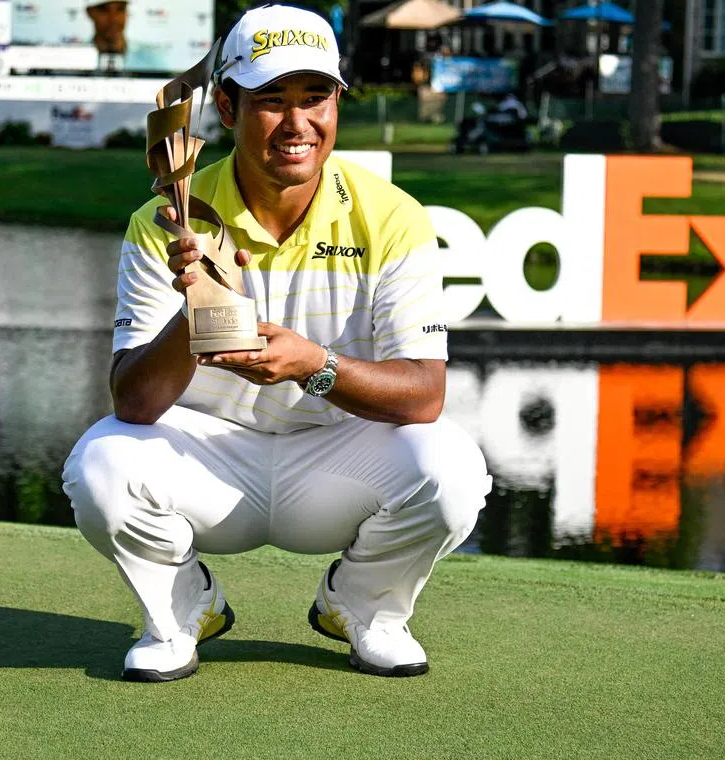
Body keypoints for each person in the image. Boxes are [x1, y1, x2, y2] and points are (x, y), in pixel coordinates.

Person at [62, 3, 491, 683]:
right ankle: (181, 613)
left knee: (453, 468)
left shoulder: (393, 217)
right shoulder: (167, 219)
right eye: (271, 101)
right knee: (99, 466)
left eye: (315, 97)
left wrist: (313, 365)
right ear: (227, 109)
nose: (298, 123)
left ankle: (362, 607)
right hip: (205, 455)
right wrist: (196, 307)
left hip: (335, 458)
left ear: (338, 103)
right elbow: (135, 402)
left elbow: (425, 394)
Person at [85, 1, 127, 72]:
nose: (113, 18)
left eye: (120, 9)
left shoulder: (150, 59)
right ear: (90, 12)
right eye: (104, 10)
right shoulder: (75, 59)